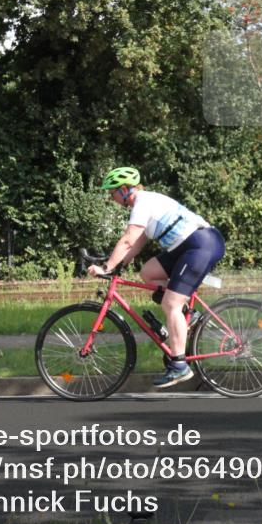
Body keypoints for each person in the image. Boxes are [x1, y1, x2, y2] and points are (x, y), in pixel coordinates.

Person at [87, 166, 226, 388]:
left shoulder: (143, 202)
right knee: (149, 273)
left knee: (171, 304)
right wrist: (117, 267)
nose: (110, 197)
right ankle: (189, 315)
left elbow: (128, 239)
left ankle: (179, 366)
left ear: (124, 190)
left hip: (200, 245)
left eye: (112, 192)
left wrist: (105, 267)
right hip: (187, 247)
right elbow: (136, 245)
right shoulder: (142, 205)